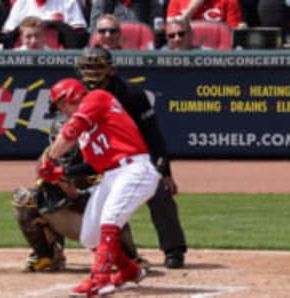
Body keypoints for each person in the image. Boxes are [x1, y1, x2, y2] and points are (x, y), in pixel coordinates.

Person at [38, 78, 160, 296]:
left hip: (134, 168)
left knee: (109, 221)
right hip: (113, 174)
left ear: (72, 95)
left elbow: (70, 130)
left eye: (61, 104)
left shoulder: (97, 98)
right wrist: (62, 173)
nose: (62, 110)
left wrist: (50, 160)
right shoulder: (87, 135)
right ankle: (128, 270)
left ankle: (100, 280)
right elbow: (94, 165)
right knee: (90, 236)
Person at [76, 46, 188, 268]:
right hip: (98, 157)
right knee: (56, 188)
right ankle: (50, 252)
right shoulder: (78, 95)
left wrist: (164, 172)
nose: (93, 73)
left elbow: (153, 135)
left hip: (135, 158)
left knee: (159, 192)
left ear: (110, 69)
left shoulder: (131, 94)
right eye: (88, 68)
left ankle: (173, 250)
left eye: (98, 67)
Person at [12, 115, 148, 272]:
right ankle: (47, 255)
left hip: (94, 215)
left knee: (112, 205)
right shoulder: (47, 159)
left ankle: (129, 258)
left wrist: (76, 194)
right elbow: (46, 199)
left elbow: (110, 193)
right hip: (66, 216)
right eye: (59, 140)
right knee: (25, 199)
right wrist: (59, 190)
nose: (64, 146)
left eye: (68, 141)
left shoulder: (95, 154)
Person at [167, 0, 244, 29]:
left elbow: (232, 33)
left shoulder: (229, 1)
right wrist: (190, 10)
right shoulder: (176, 1)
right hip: (186, 49)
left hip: (218, 52)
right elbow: (173, 35)